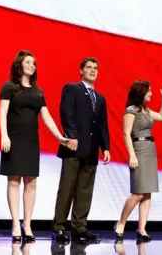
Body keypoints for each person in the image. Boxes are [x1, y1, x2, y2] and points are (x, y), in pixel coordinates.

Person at [0, 50, 70, 243]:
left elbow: (46, 117)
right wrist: (4, 135)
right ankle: (15, 223)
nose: (32, 65)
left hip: (31, 142)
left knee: (31, 182)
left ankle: (27, 224)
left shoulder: (38, 91)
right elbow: (2, 113)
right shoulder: (9, 87)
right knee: (14, 182)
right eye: (28, 62)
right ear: (19, 65)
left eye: (34, 63)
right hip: (13, 140)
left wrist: (59, 136)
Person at [52, 57, 111, 242]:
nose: (92, 71)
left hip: (91, 151)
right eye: (89, 67)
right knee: (67, 188)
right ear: (81, 70)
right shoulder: (72, 89)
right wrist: (72, 135)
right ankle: (59, 227)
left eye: (95, 68)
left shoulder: (100, 99)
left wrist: (106, 148)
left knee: (85, 191)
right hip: (73, 147)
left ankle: (79, 228)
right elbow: (66, 113)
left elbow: (102, 126)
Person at [114, 80, 162, 242]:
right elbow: (126, 134)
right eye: (149, 91)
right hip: (138, 149)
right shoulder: (131, 111)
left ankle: (142, 229)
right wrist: (132, 155)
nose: (151, 94)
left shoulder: (145, 110)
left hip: (150, 150)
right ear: (141, 92)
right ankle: (121, 223)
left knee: (147, 193)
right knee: (138, 193)